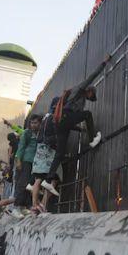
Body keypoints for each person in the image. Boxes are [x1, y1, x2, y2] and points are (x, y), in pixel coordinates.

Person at [46, 56, 111, 184]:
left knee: (60, 152)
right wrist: (104, 62)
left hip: (60, 124)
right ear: (90, 91)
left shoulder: (78, 98)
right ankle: (93, 140)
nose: (91, 97)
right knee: (87, 114)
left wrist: (81, 129)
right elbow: (93, 76)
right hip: (65, 117)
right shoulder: (81, 89)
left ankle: (48, 178)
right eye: (92, 94)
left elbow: (69, 123)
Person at [30, 97, 60, 212]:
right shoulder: (53, 117)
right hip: (48, 151)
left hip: (40, 150)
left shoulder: (45, 118)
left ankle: (35, 205)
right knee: (52, 178)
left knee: (39, 178)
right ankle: (42, 204)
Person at [12, 115, 42, 218]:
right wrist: (19, 161)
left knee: (30, 185)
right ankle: (16, 207)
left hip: (35, 163)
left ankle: (23, 207)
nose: (33, 125)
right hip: (25, 161)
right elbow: (21, 147)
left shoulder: (40, 134)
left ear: (40, 123)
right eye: (32, 123)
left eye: (36, 123)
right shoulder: (27, 133)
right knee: (23, 183)